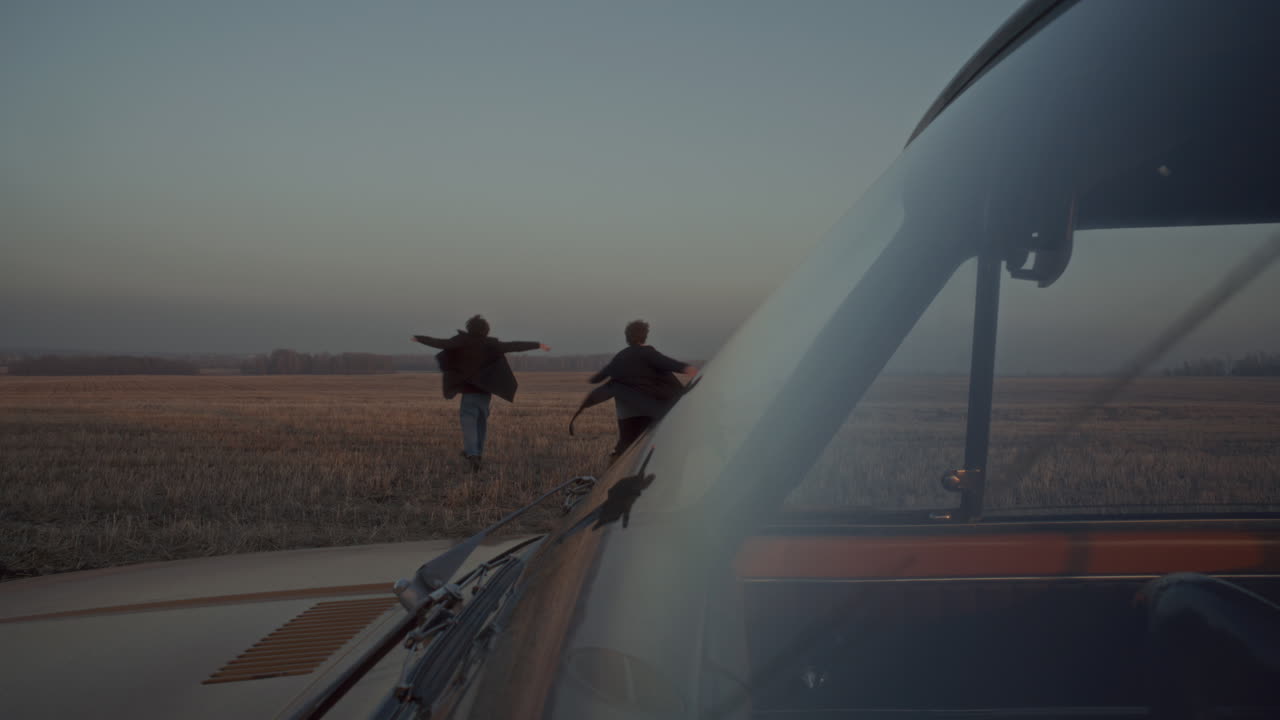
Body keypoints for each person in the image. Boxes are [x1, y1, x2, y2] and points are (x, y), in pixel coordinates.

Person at [411, 315, 549, 472]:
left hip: (469, 392)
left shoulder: (462, 340)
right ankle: (477, 453)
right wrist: (538, 345)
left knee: (468, 422)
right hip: (485, 392)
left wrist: (420, 338)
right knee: (481, 423)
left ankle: (472, 455)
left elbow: (441, 343)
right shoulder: (490, 344)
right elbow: (513, 346)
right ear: (486, 330)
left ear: (469, 328)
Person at [578, 319, 698, 459]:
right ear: (645, 335)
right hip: (647, 408)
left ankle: (615, 469)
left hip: (626, 410)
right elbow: (666, 363)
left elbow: (601, 375)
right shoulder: (648, 352)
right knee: (649, 444)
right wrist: (688, 368)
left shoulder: (620, 356)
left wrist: (592, 379)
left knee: (625, 445)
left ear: (627, 337)